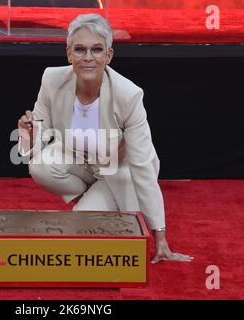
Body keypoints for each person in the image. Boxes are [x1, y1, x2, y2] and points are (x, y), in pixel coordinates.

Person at [17, 13, 193, 264]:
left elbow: (142, 165)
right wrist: (29, 133)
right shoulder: (52, 79)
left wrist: (160, 237)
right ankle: (90, 195)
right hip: (81, 164)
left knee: (81, 228)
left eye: (96, 49)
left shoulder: (129, 95)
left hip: (121, 173)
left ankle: (98, 201)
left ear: (108, 56)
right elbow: (38, 137)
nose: (88, 57)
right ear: (69, 54)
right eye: (80, 49)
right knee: (40, 166)